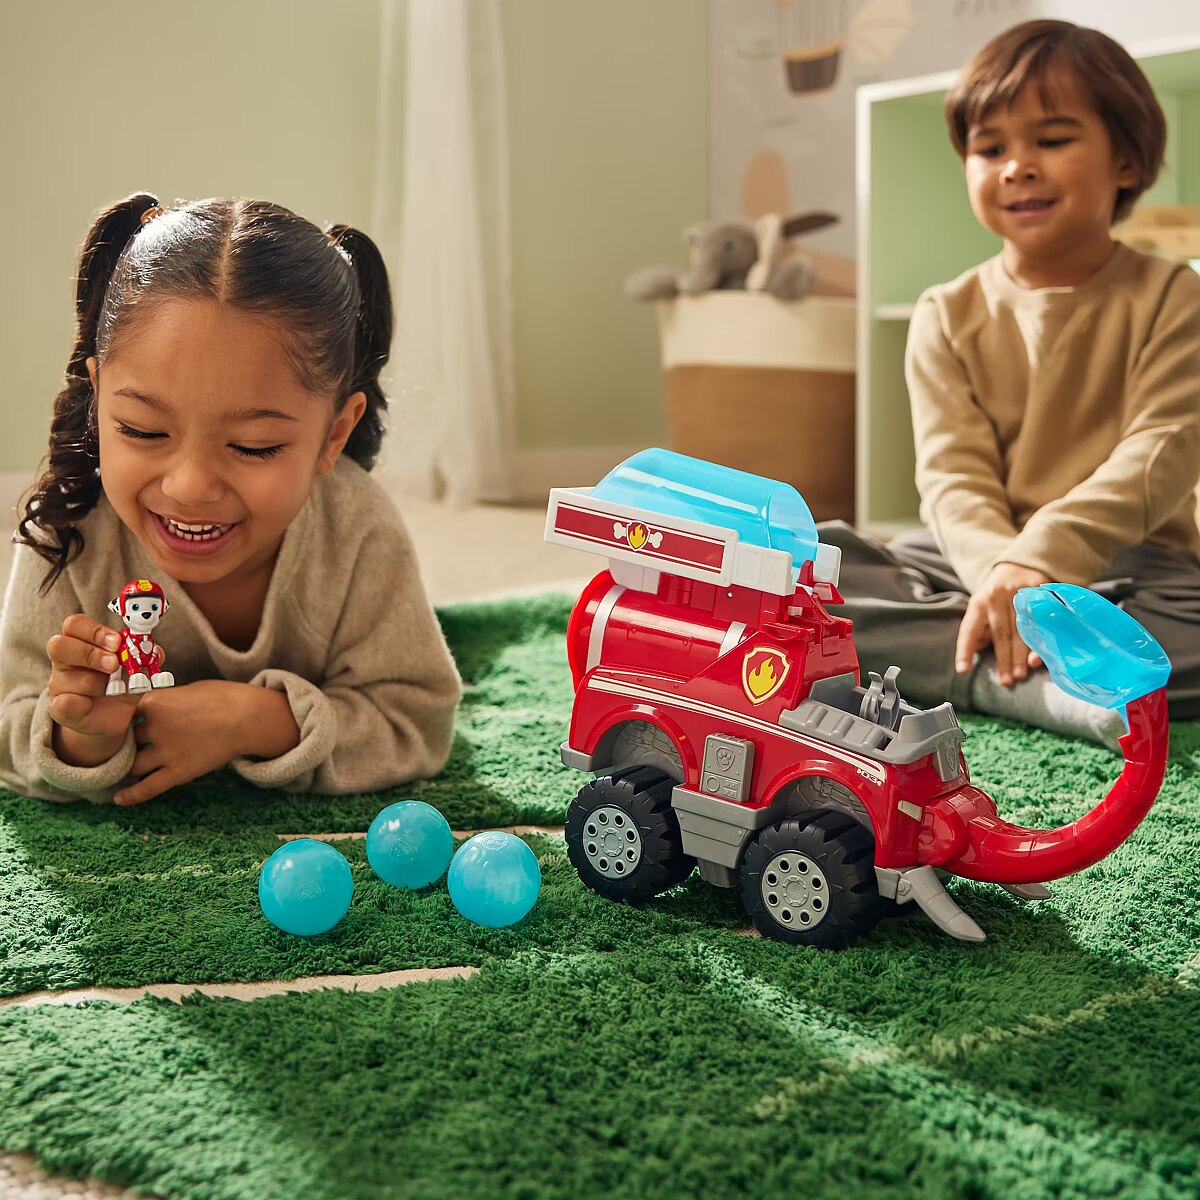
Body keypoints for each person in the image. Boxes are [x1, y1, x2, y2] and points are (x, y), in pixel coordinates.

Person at [0, 193, 462, 804]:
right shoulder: (67, 527)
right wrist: (84, 735)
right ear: (97, 396)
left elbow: (416, 721)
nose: (189, 486)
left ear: (334, 435)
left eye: (253, 446)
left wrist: (256, 719)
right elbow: (12, 722)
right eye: (143, 431)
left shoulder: (356, 525)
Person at [823, 19, 1200, 748]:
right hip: (976, 562)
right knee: (819, 569)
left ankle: (970, 662)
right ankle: (1034, 676)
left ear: (1126, 161)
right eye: (990, 148)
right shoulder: (946, 312)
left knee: (1184, 624)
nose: (1017, 167)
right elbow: (952, 479)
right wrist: (1004, 570)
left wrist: (1040, 562)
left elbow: (1160, 455)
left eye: (1052, 140)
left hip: (1131, 565)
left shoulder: (1175, 296)